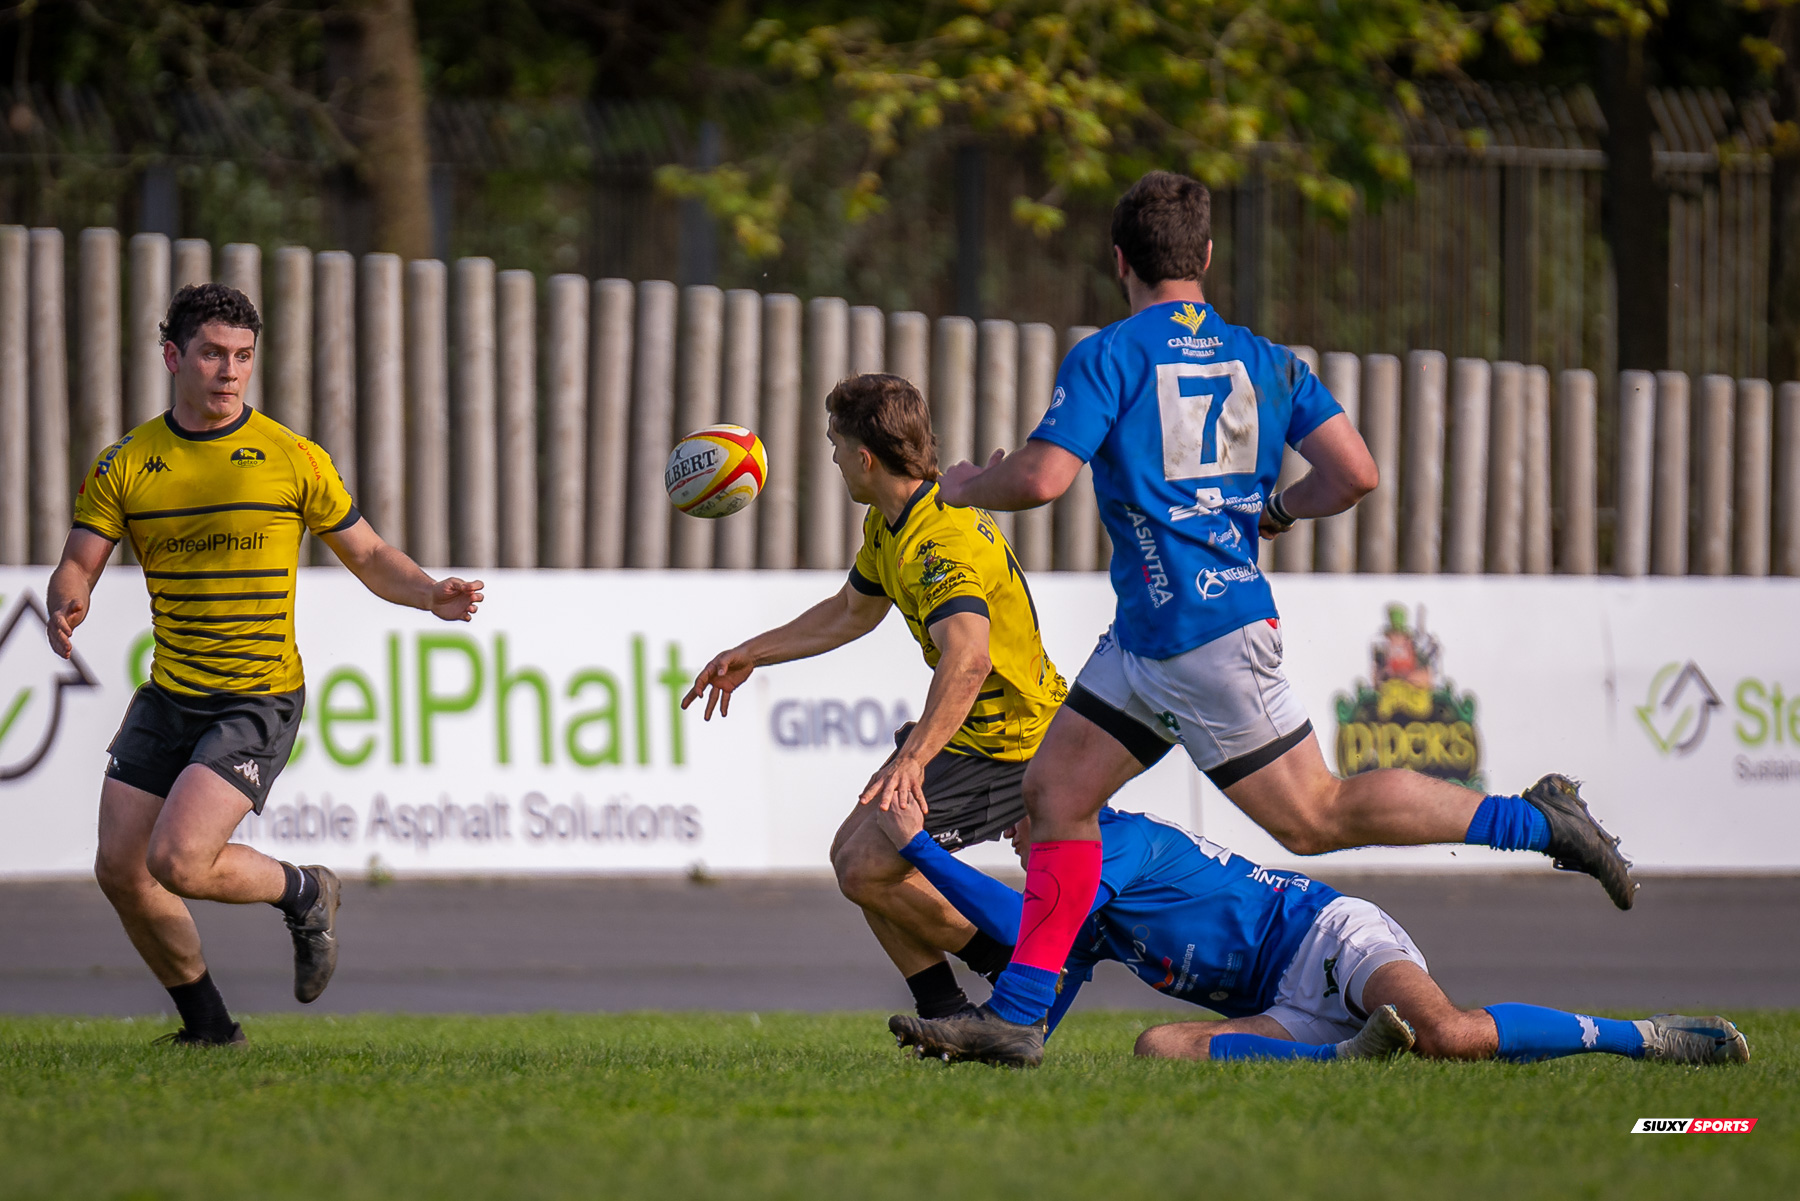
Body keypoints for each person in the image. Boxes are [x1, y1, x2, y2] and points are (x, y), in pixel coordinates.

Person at [905, 170, 1637, 1066]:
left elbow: (1045, 476)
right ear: (1206, 257)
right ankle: (1019, 1014)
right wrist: (1277, 513)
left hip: (1201, 642)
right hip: (1153, 638)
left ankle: (1539, 820)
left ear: (1119, 260)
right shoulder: (1266, 359)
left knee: (1315, 816)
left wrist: (969, 483)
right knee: (1056, 794)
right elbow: (1356, 472)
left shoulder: (1111, 354)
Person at [47, 283, 484, 1046]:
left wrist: (429, 593)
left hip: (257, 696)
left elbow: (371, 554)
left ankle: (307, 889)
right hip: (170, 691)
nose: (229, 371)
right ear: (172, 356)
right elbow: (78, 560)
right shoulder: (128, 462)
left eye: (243, 357)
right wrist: (68, 597)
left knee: (179, 859)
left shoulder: (290, 457)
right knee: (120, 868)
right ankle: (210, 1029)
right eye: (213, 354)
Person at [683, 373, 1066, 1020]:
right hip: (975, 733)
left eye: (835, 445)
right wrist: (753, 650)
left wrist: (912, 758)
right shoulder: (892, 523)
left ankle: (1013, 966)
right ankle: (944, 1013)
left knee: (866, 864)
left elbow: (969, 659)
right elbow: (851, 613)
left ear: (864, 456)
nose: (832, 459)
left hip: (1014, 742)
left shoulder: (941, 543)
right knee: (852, 856)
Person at [879, 802, 1748, 1070]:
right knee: (1157, 1048)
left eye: (1024, 828)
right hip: (1282, 1006)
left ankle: (1646, 1039)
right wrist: (984, 1043)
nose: (1019, 844)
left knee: (1448, 1035)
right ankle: (1347, 1056)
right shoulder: (1083, 908)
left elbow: (1012, 923)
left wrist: (915, 847)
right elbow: (1037, 1000)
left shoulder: (1114, 841)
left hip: (1329, 936)